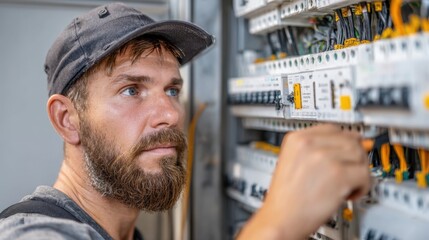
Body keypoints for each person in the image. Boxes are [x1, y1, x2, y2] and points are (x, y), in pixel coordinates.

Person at [0, 2, 370, 240]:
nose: (171, 114)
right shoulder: (31, 232)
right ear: (67, 119)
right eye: (132, 90)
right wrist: (280, 223)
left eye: (172, 90)